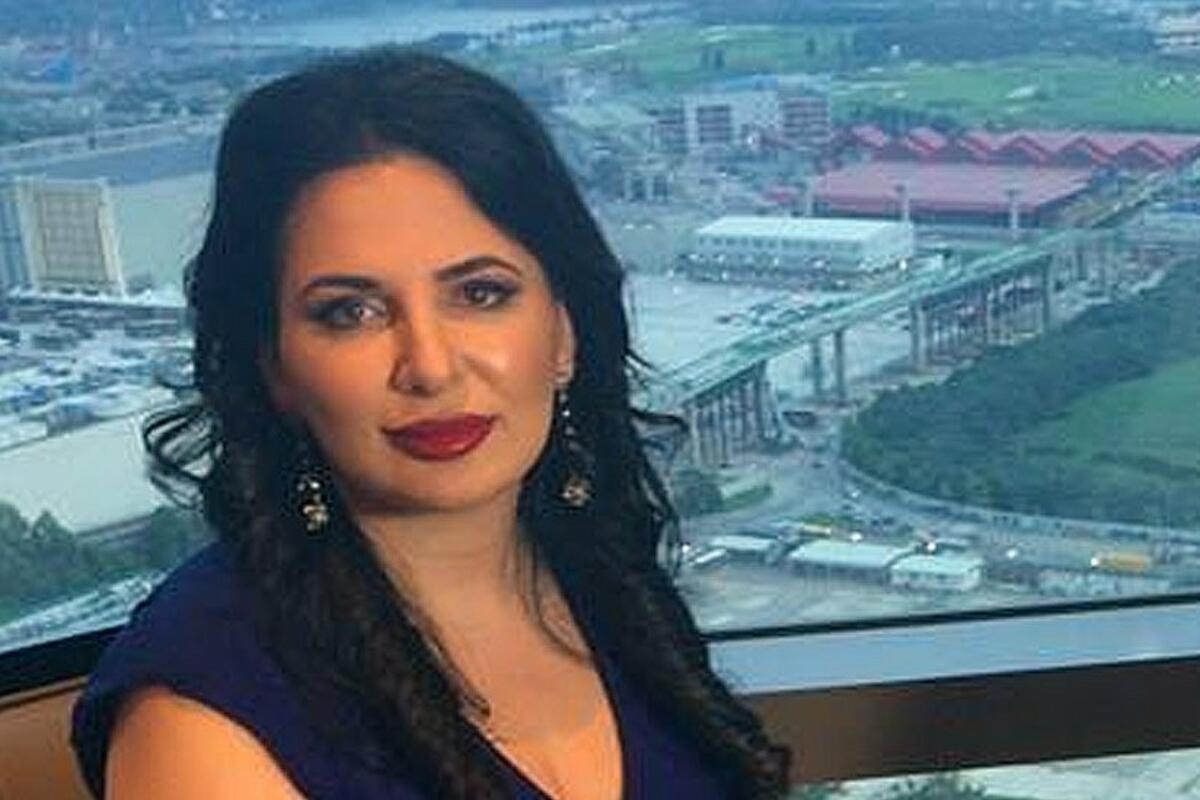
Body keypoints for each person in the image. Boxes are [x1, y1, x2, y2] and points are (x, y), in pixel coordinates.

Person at [71, 47, 790, 799]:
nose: (430, 366)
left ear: (563, 331)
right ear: (274, 368)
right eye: (351, 312)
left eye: (480, 294)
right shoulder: (199, 720)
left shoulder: (601, 573)